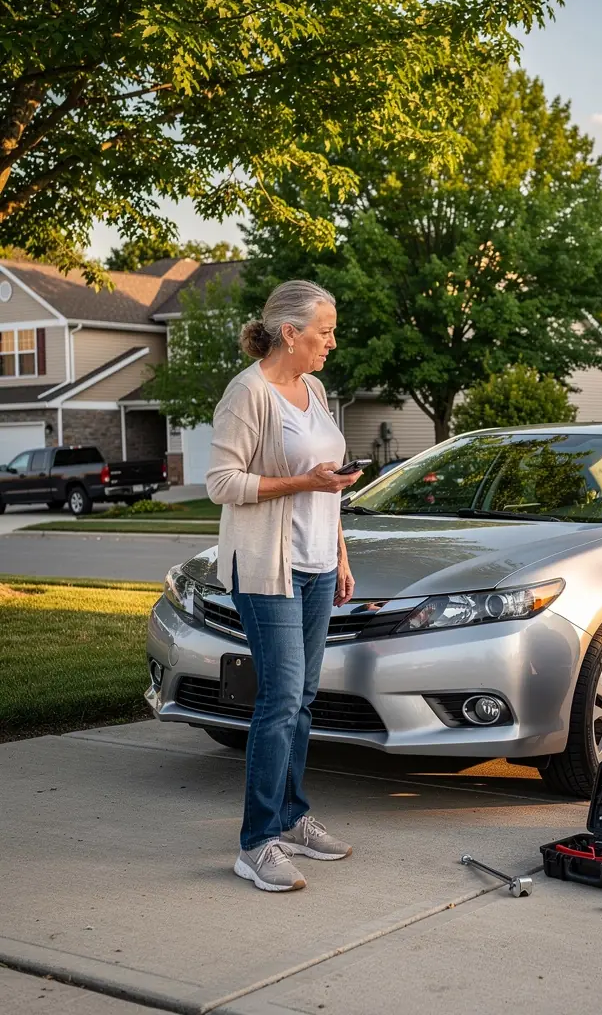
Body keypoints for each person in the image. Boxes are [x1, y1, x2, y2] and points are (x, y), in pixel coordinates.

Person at [206, 279, 364, 892]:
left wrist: (341, 554)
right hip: (268, 567)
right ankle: (257, 842)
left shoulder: (314, 389)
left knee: (302, 700)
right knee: (278, 700)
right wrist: (303, 485)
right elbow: (222, 483)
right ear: (290, 333)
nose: (332, 341)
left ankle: (293, 818)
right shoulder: (247, 393)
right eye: (324, 331)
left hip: (320, 562)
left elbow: (331, 485)